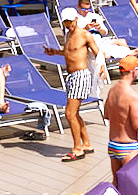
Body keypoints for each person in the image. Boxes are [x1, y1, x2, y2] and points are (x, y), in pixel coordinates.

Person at [44, 8, 104, 161]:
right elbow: (69, 52)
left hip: (81, 75)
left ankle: (77, 149)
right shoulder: (67, 35)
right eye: (65, 22)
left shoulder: (85, 35)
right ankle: (87, 144)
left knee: (69, 114)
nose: (68, 24)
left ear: (76, 19)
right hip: (71, 76)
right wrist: (55, 52)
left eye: (70, 21)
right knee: (74, 113)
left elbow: (98, 53)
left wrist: (102, 67)